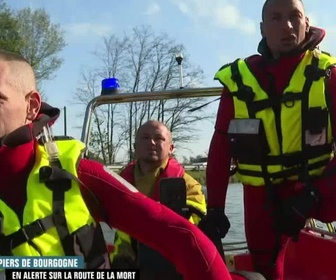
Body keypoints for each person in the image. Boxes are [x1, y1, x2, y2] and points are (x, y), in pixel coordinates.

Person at [0, 49, 232, 280]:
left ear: (32, 106)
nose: (151, 143)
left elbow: (187, 241)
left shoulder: (77, 173)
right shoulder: (125, 174)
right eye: (144, 138)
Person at [205, 0, 336, 279]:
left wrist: (311, 196)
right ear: (263, 28)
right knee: (265, 266)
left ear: (307, 23)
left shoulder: (328, 75)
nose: (287, 25)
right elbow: (219, 149)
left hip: (318, 189)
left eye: (294, 17)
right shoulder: (239, 81)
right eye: (276, 18)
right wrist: (215, 209)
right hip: (260, 192)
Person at [111, 120, 207, 278]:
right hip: (125, 261)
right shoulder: (117, 182)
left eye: (159, 138)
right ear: (135, 146)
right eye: (145, 137)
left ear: (171, 148)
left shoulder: (188, 184)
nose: (152, 142)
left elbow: (195, 219)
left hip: (173, 263)